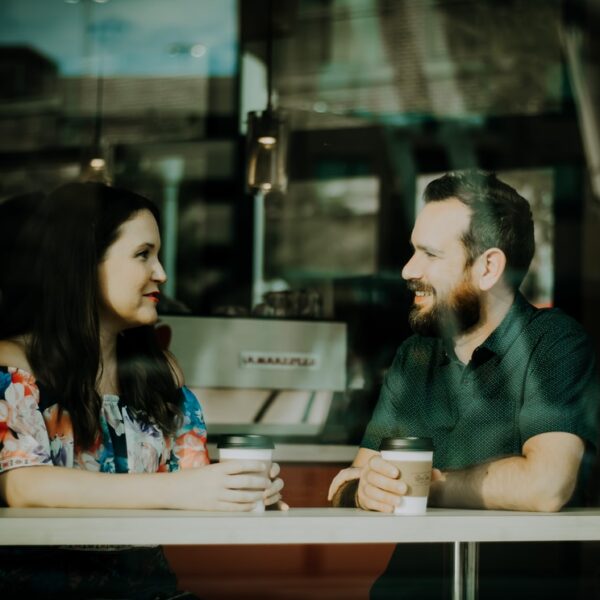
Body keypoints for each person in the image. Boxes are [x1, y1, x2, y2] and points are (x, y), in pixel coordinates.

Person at [0, 182, 285, 599]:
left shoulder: (158, 372)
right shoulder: (14, 365)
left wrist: (241, 489)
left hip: (149, 590)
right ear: (84, 265)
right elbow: (22, 487)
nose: (162, 273)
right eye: (142, 254)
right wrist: (182, 491)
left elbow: (193, 479)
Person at [328, 170, 599, 599]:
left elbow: (547, 485)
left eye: (430, 254)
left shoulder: (553, 343)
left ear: (489, 267)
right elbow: (351, 481)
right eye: (412, 250)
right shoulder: (414, 355)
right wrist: (362, 492)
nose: (407, 269)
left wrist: (424, 485)